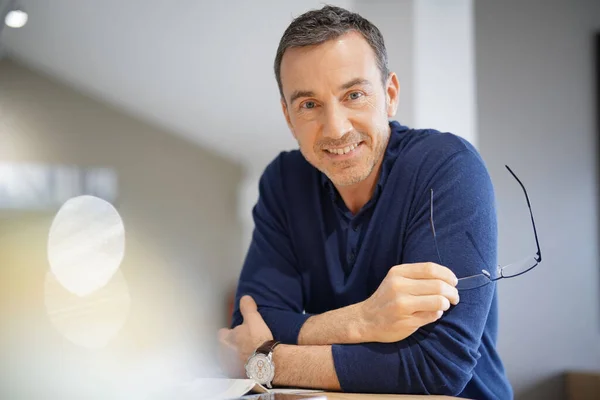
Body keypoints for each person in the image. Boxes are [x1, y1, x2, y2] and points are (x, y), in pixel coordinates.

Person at [217, 5, 513, 399]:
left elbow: (437, 366)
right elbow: (251, 322)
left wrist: (269, 359)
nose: (336, 128)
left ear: (389, 96)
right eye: (309, 105)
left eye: (354, 95)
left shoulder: (447, 168)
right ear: (289, 117)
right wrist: (363, 320)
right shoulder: (283, 182)